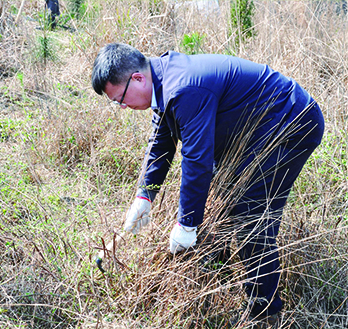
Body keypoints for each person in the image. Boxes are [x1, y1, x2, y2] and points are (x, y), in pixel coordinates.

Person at [91, 43, 325, 326]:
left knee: (250, 216)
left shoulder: (184, 88)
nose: (123, 107)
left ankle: (265, 313)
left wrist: (187, 223)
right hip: (257, 131)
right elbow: (160, 144)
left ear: (137, 78)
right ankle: (220, 269)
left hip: (290, 124)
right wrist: (145, 195)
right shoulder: (163, 80)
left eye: (120, 99)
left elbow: (197, 159)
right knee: (227, 197)